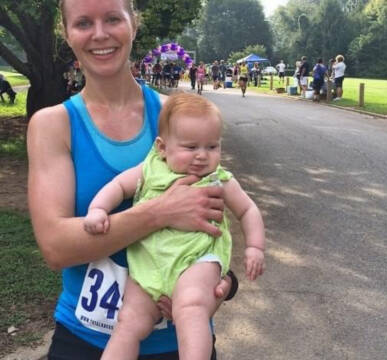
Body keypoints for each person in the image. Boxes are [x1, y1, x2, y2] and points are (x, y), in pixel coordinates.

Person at [27, 1, 236, 359]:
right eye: (83, 23)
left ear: (133, 25)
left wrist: (223, 284)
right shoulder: (53, 125)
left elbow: (219, 208)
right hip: (86, 341)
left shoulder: (178, 116)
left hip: (177, 342)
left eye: (112, 19)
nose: (100, 34)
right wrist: (159, 212)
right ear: (67, 34)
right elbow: (56, 247)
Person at [84, 92, 266, 360]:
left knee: (191, 308)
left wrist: (255, 247)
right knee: (128, 322)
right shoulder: (150, 169)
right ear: (162, 147)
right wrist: (98, 209)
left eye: (212, 147)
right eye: (191, 147)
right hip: (148, 266)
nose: (202, 156)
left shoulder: (219, 179)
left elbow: (248, 209)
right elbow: (118, 186)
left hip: (196, 260)